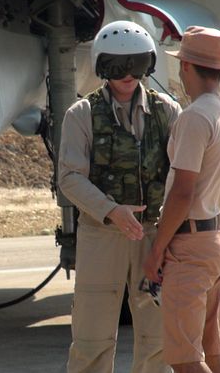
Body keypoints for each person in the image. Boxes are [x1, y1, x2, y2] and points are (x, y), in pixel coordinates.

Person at [58, 20, 181, 373]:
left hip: (155, 236)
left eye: (137, 65)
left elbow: (182, 174)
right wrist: (112, 211)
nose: (128, 75)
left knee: (157, 340)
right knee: (91, 340)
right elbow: (69, 177)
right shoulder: (81, 115)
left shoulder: (168, 111)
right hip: (101, 236)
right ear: (101, 68)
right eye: (116, 66)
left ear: (150, 66)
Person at [143, 26, 220, 373]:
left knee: (186, 359)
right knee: (210, 350)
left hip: (190, 248)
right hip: (214, 240)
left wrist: (158, 249)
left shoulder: (194, 117)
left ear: (186, 66)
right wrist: (210, 231)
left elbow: (182, 192)